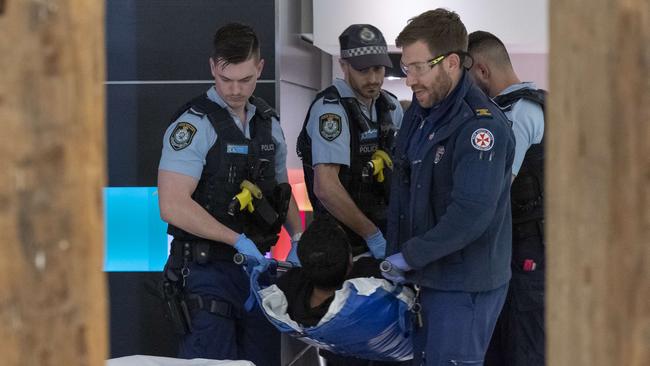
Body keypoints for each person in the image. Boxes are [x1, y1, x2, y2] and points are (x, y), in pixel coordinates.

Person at [157, 22, 302, 365]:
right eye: (226, 79)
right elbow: (172, 204)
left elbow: (282, 189)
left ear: (260, 68)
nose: (235, 90)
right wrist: (235, 239)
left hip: (256, 275)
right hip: (206, 273)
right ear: (212, 67)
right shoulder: (194, 126)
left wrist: (298, 236)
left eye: (246, 79)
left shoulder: (268, 124)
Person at [383, 9, 516, 365]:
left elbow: (471, 214)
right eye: (406, 68)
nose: (409, 79)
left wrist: (409, 255)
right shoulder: (422, 114)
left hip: (463, 285)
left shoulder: (480, 127)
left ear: (452, 62)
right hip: (427, 277)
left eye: (418, 68)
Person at [468, 30, 546, 366]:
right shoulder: (542, 101)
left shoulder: (513, 115)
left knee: (520, 350)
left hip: (526, 253)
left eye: (467, 78)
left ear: (482, 71)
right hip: (539, 248)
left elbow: (494, 190)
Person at [296, 24, 404, 263]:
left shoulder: (390, 106)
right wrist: (373, 235)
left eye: (379, 69)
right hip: (340, 242)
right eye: (363, 70)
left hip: (386, 231)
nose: (374, 79)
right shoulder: (331, 111)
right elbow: (326, 188)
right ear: (344, 65)